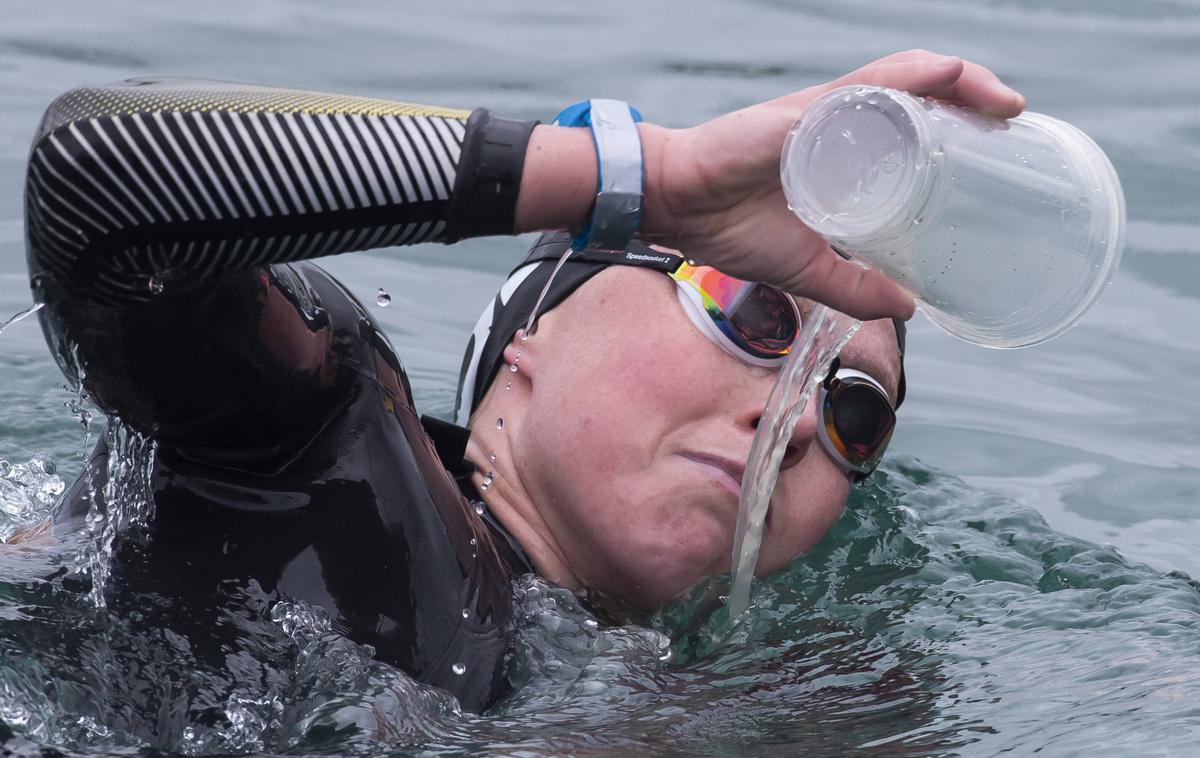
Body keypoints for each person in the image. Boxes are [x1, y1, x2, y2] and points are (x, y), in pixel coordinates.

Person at [21, 50, 1024, 713]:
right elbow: (101, 176)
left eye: (858, 409)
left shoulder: (681, 695)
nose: (800, 418)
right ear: (534, 329)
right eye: (753, 313)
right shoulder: (314, 441)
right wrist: (644, 178)